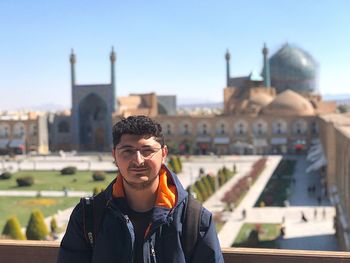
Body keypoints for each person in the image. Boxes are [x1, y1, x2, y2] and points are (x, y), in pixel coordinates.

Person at [57, 115, 223, 263]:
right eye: (127, 151)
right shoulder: (89, 217)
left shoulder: (193, 219)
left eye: (147, 150)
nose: (138, 160)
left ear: (164, 154)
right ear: (114, 155)